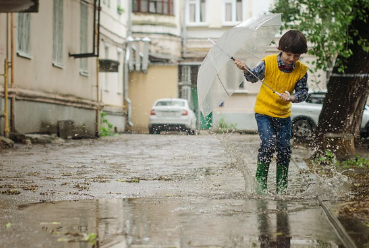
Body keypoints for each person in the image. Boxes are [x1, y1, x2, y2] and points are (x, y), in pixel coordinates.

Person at [235, 30, 309, 194]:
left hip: (283, 115)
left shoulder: (301, 70)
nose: (291, 59)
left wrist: (292, 97)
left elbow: (303, 93)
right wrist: (245, 69)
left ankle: (281, 189)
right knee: (268, 145)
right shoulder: (268, 62)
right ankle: (261, 187)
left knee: (284, 149)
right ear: (281, 49)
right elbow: (253, 78)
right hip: (264, 112)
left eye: (296, 56)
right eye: (289, 54)